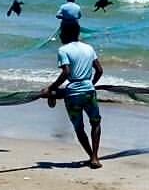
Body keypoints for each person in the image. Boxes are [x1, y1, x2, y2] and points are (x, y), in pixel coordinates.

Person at [41, 18, 103, 168]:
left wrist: (51, 87)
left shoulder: (63, 50)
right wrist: (90, 84)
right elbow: (99, 71)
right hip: (89, 92)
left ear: (66, 34)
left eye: (61, 33)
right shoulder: (89, 48)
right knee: (95, 123)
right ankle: (95, 157)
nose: (60, 35)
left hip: (73, 95)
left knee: (79, 127)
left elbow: (66, 72)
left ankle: (91, 156)